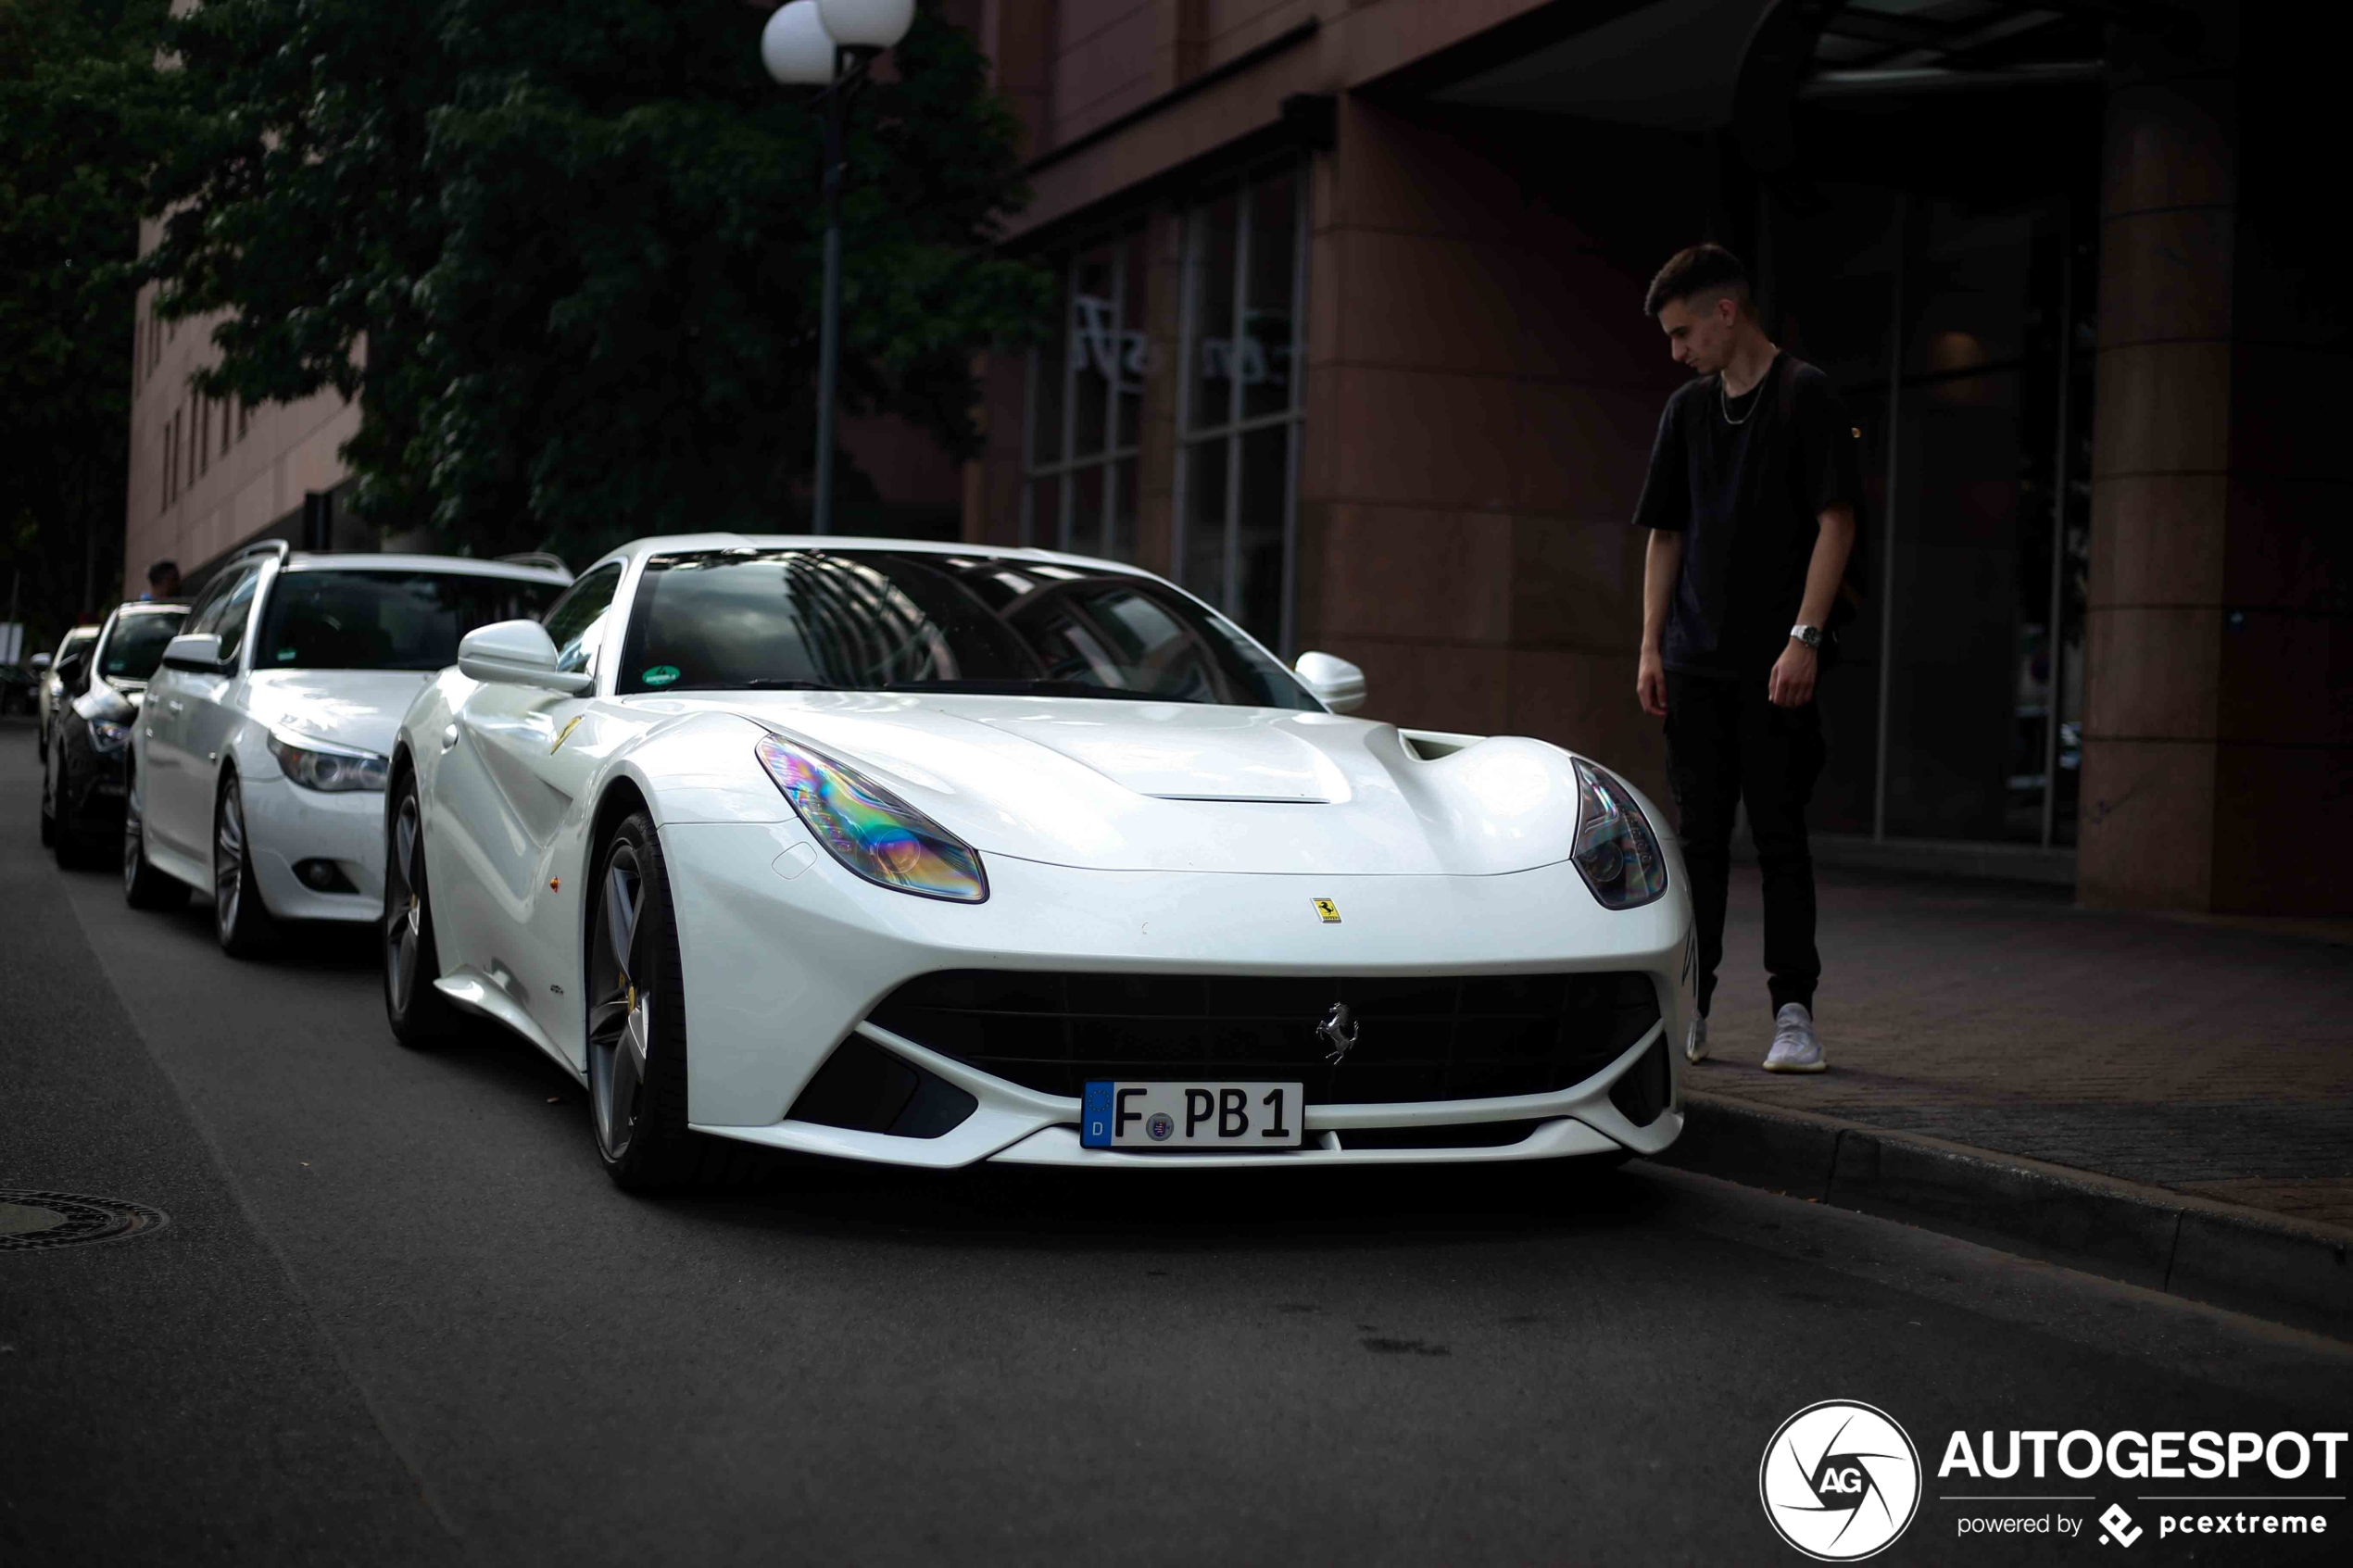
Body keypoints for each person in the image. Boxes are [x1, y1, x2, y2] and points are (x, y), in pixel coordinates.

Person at [1630, 244, 1858, 1074]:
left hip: (1777, 664)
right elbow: (1666, 533)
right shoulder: (1686, 413)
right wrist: (1652, 644)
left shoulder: (1806, 395)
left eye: (1684, 330)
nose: (1677, 350)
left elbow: (1837, 520)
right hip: (1693, 663)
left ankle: (1793, 1014)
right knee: (1696, 844)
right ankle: (1693, 1004)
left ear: (1728, 311)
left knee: (1778, 838)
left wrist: (1805, 635)